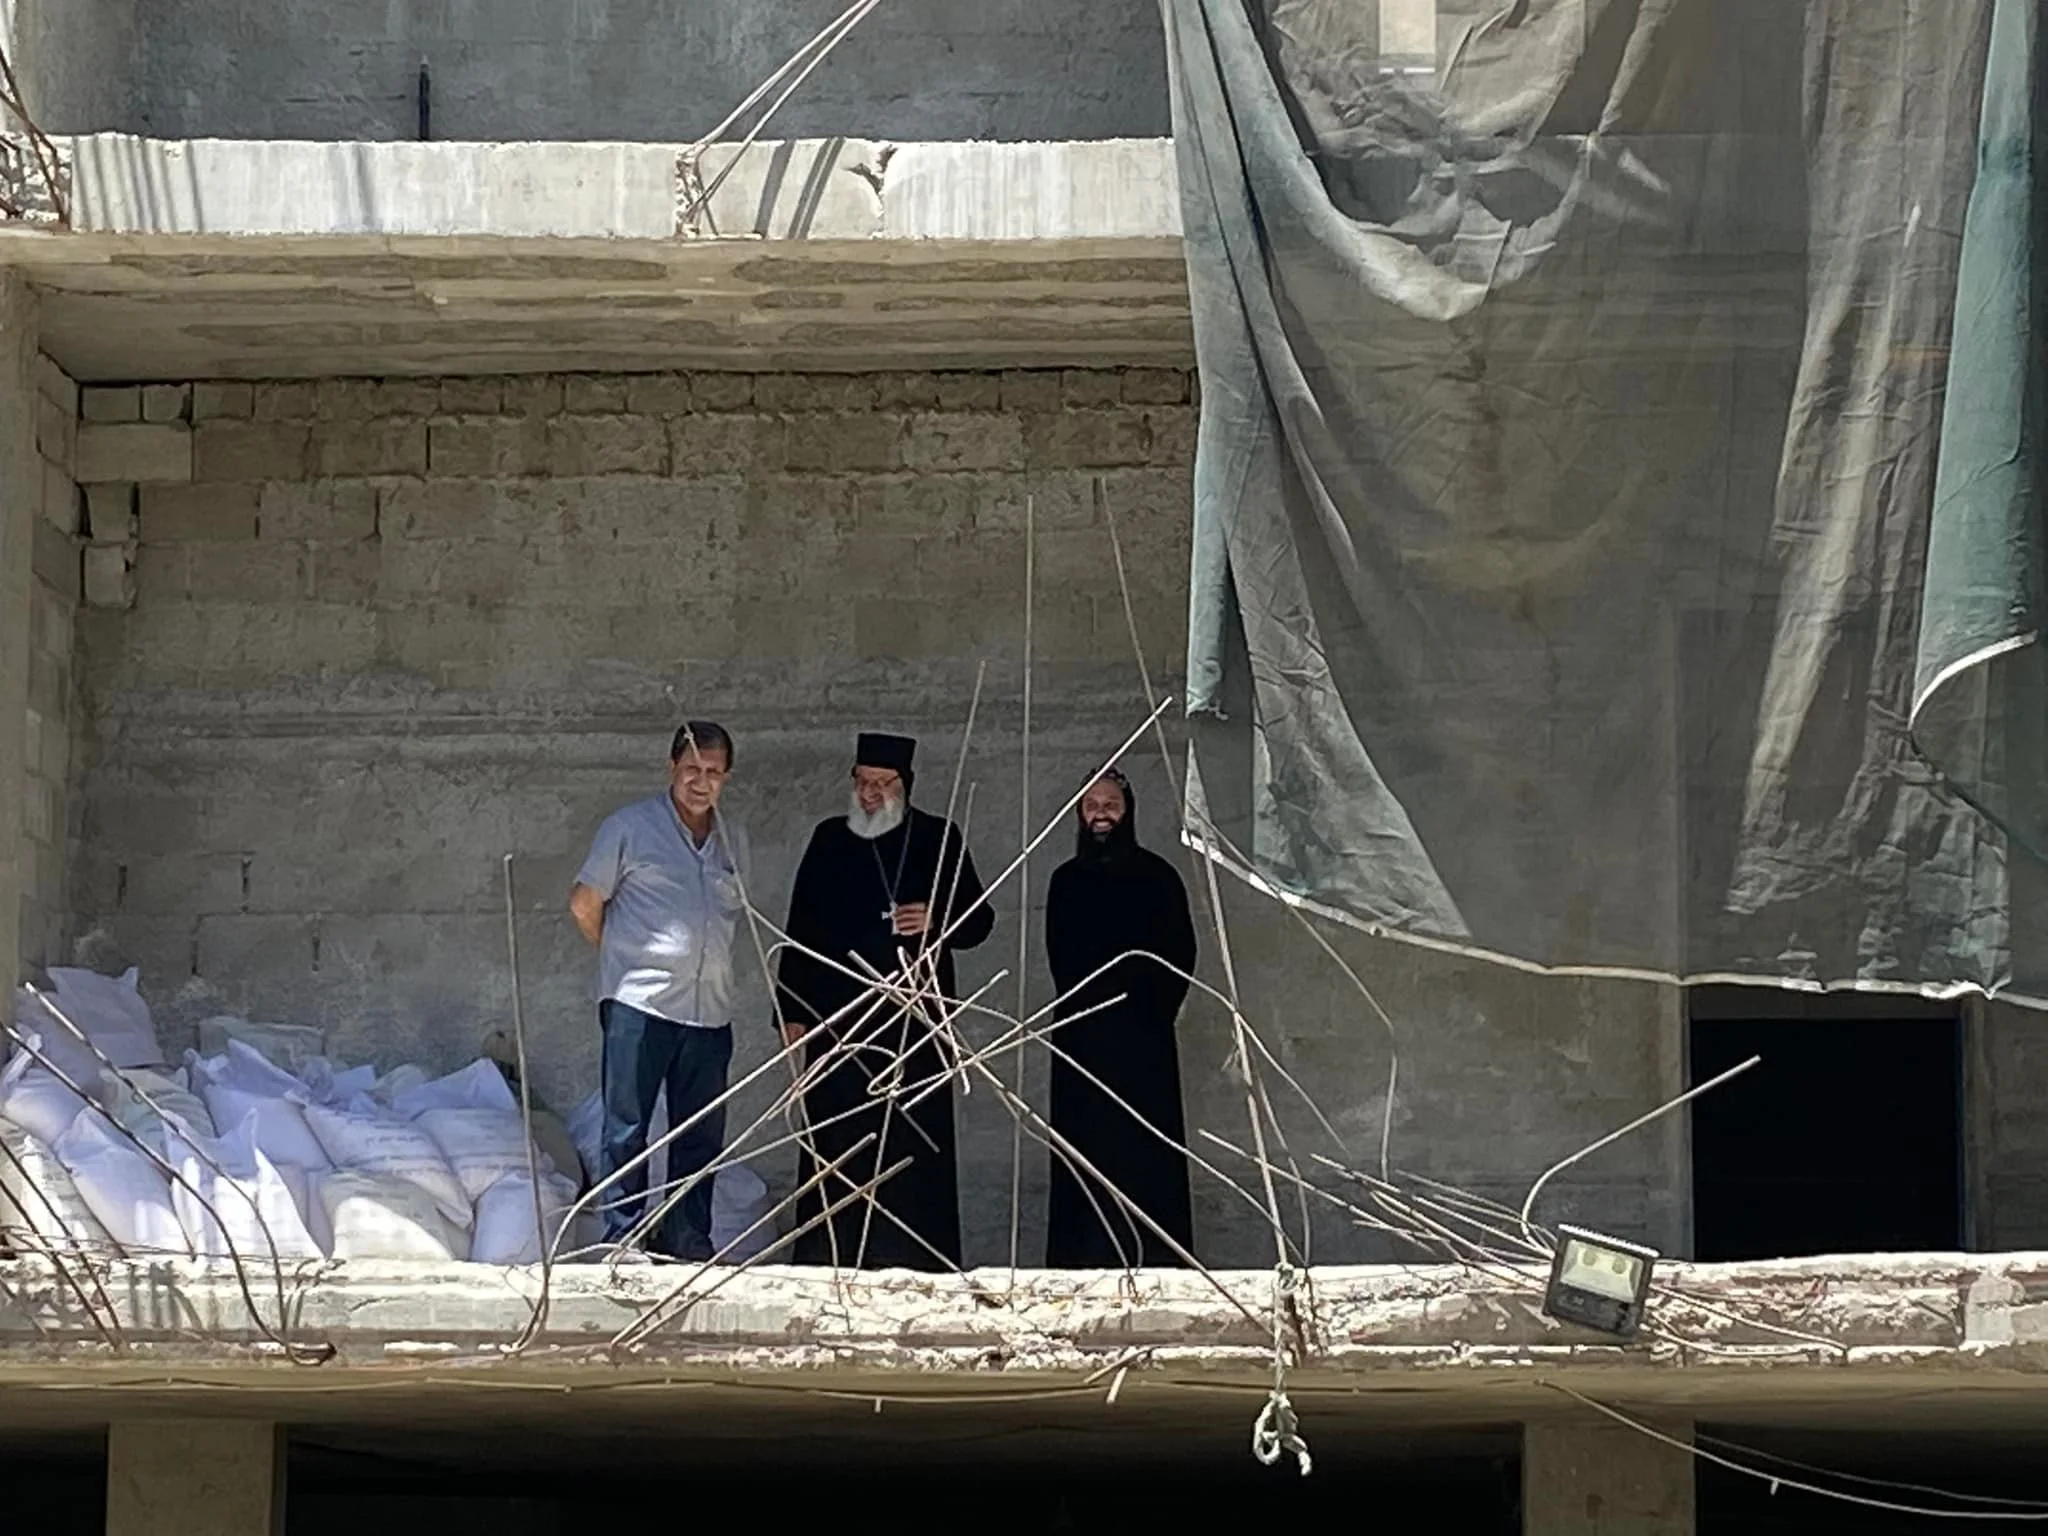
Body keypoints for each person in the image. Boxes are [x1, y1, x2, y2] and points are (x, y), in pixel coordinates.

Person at [774, 732, 994, 1270]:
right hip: (840, 1023)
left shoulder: (939, 838)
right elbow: (800, 927)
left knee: (914, 1145)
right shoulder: (830, 839)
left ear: (905, 786)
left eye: (882, 784)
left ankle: (919, 1261)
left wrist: (938, 920)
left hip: (915, 1024)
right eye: (862, 782)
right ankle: (830, 1258)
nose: (870, 793)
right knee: (837, 1140)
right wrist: (792, 1013)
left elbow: (981, 921)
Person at [569, 721, 748, 1260]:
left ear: (727, 777)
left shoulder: (732, 838)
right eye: (692, 769)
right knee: (627, 1127)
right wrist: (623, 961)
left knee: (700, 1136)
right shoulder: (630, 827)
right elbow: (584, 902)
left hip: (709, 1011)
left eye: (713, 772)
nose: (702, 781)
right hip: (639, 1003)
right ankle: (622, 1239)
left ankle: (688, 1240)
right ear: (672, 769)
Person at [1043, 768, 1198, 1267]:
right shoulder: (1064, 881)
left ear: (1127, 809)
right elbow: (1059, 957)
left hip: (1143, 1041)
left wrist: (1147, 1014)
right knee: (1084, 1151)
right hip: (1080, 1042)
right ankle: (1080, 1258)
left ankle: (1154, 1256)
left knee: (1145, 1150)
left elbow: (1180, 954)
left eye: (1109, 803)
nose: (1101, 813)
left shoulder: (1158, 876)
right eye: (1091, 805)